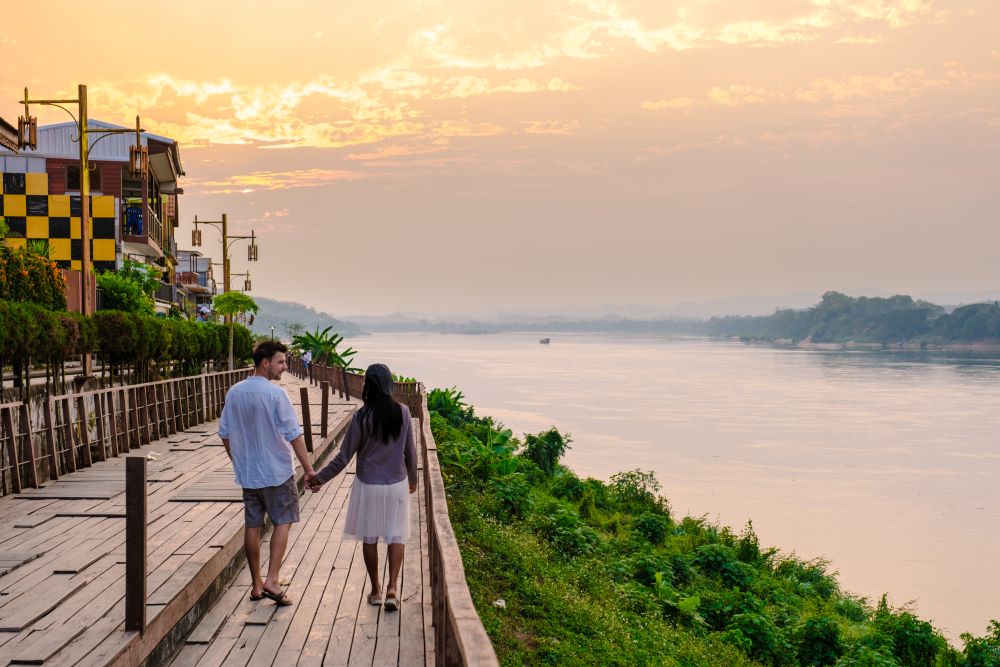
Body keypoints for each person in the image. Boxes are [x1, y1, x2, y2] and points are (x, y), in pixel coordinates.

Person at [308, 363, 417, 611]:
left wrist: (318, 478)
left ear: (368, 385)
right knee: (396, 535)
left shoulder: (362, 416)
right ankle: (392, 589)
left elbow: (343, 457)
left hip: (369, 485)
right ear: (389, 384)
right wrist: (412, 481)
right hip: (396, 483)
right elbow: (411, 453)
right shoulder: (403, 412)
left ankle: (376, 590)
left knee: (370, 537)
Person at [219, 341, 318, 606]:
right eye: (281, 362)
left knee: (252, 525)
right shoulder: (276, 395)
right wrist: (309, 470)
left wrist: (238, 461)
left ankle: (256, 585)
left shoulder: (235, 392)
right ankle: (272, 580)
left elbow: (225, 434)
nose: (284, 367)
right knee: (283, 520)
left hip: (249, 473)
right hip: (276, 471)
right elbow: (294, 436)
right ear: (266, 363)